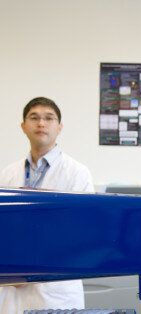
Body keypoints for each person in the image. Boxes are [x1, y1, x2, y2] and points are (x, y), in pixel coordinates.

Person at [0, 97, 94, 313]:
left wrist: (34, 266)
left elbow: (81, 230)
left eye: (48, 118)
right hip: (11, 287)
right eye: (34, 118)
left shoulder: (76, 173)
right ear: (23, 126)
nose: (41, 123)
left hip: (56, 287)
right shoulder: (8, 174)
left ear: (59, 127)